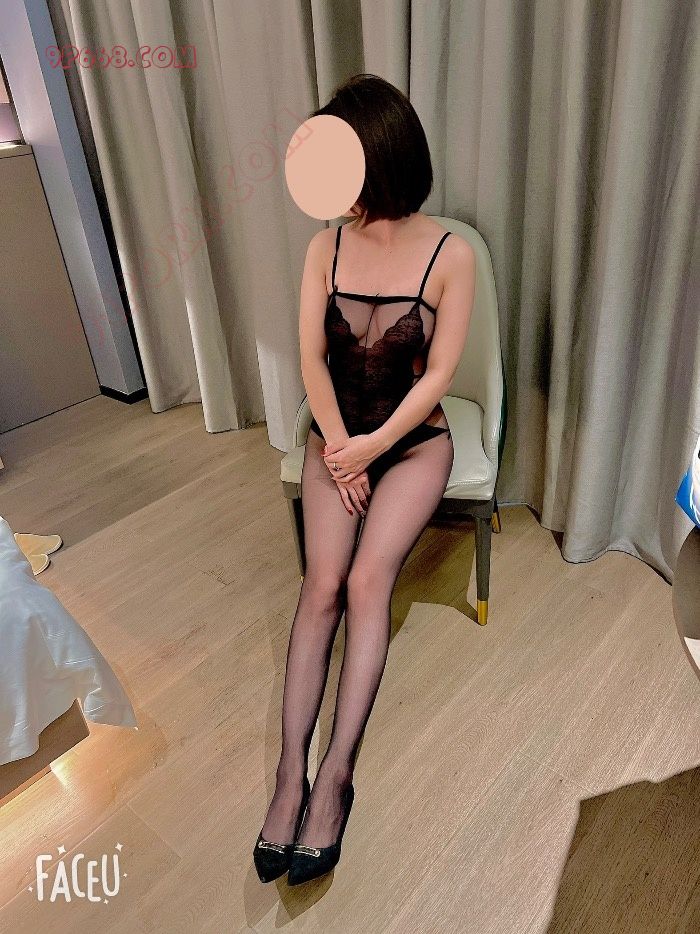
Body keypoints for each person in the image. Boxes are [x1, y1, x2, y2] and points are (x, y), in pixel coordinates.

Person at [254, 74, 475, 886]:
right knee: (320, 587)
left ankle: (336, 777)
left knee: (367, 582)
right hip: (337, 440)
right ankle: (290, 779)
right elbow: (312, 358)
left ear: (378, 157)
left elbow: (438, 373)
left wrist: (375, 445)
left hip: (413, 444)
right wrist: (341, 448)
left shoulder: (451, 254)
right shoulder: (325, 248)